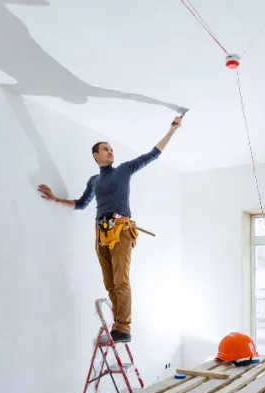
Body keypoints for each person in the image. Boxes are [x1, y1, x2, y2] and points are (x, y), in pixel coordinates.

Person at [37, 115, 184, 343]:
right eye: (105, 149)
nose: (110, 151)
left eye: (111, 149)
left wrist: (172, 130)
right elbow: (81, 204)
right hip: (101, 234)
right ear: (95, 156)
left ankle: (124, 328)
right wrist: (55, 199)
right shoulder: (94, 181)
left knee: (121, 280)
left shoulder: (123, 170)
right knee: (110, 284)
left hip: (121, 231)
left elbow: (153, 155)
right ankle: (118, 325)